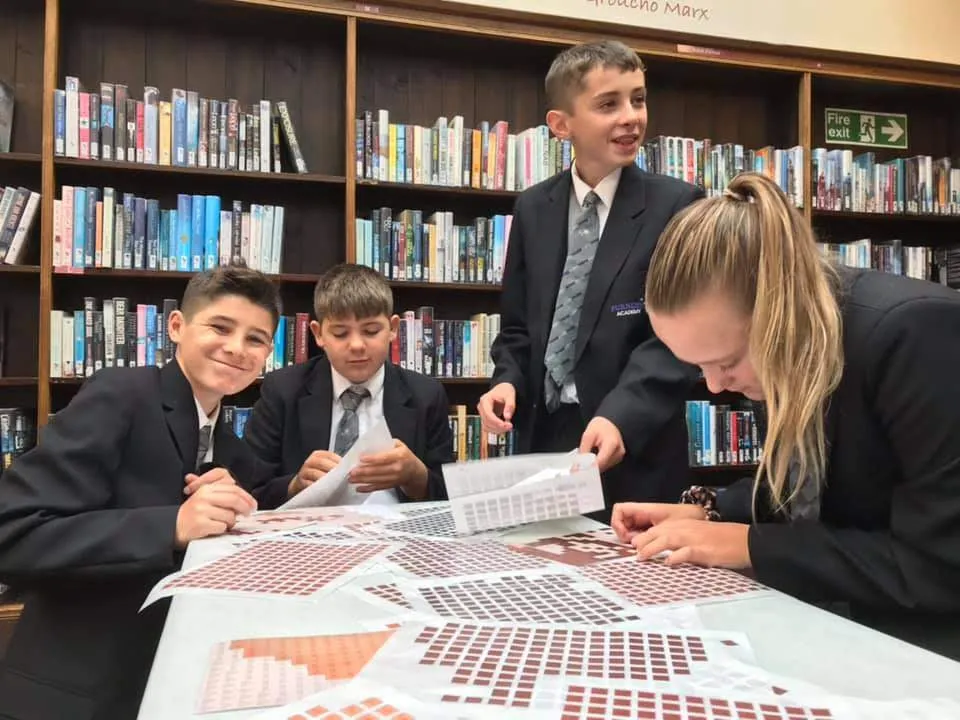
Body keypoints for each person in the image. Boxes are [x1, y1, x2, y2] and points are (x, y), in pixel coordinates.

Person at [612, 171, 960, 662]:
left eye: (727, 362)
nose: (714, 385)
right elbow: (820, 488)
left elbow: (938, 569)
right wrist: (712, 512)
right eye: (699, 367)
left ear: (778, 311)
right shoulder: (787, 339)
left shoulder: (915, 337)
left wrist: (750, 546)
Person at [0, 265, 281, 719]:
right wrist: (170, 525)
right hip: (76, 693)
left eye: (256, 339)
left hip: (168, 683)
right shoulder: (123, 394)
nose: (236, 348)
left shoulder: (229, 447)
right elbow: (12, 532)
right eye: (220, 327)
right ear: (177, 327)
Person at [478, 39, 703, 518]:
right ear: (562, 125)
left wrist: (619, 415)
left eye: (638, 99)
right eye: (608, 104)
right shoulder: (534, 208)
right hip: (543, 446)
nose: (631, 117)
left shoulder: (678, 206)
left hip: (633, 446)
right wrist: (507, 382)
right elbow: (518, 327)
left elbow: (680, 339)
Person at [243, 263, 453, 510]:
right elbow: (249, 488)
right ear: (318, 334)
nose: (356, 345)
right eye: (341, 334)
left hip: (400, 533)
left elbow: (450, 497)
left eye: (371, 331)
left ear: (393, 329)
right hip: (309, 535)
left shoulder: (426, 395)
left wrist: (416, 476)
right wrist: (295, 484)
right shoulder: (282, 390)